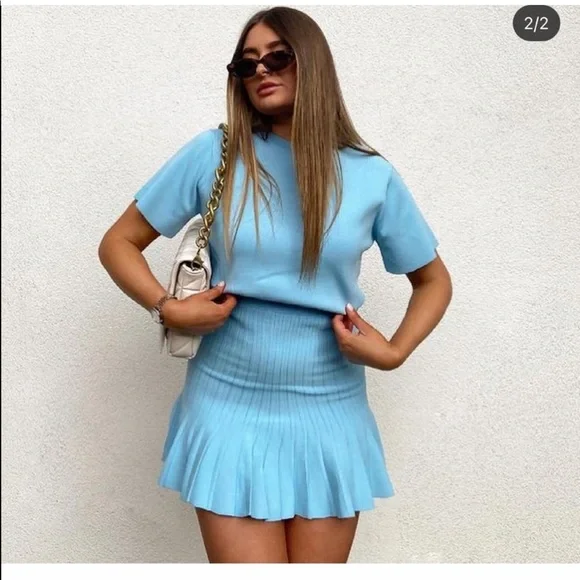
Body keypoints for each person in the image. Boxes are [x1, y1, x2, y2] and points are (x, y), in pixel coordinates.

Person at [98, 6, 452, 564]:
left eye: (278, 57)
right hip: (226, 405)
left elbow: (433, 280)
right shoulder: (215, 153)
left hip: (331, 413)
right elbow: (118, 242)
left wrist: (394, 352)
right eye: (247, 64)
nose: (261, 70)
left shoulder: (370, 174)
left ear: (311, 62)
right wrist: (168, 307)